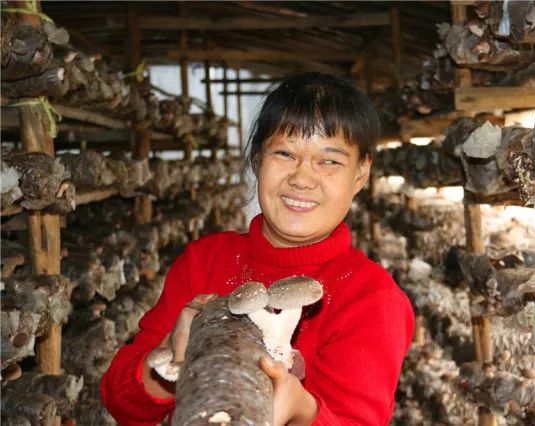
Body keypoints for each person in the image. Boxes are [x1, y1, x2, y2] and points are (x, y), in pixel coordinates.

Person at [101, 72, 415, 425]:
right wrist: (173, 355)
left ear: (361, 174)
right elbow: (120, 401)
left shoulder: (371, 298)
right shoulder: (205, 261)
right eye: (284, 153)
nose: (302, 178)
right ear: (256, 160)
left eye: (329, 161)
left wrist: (301, 410)